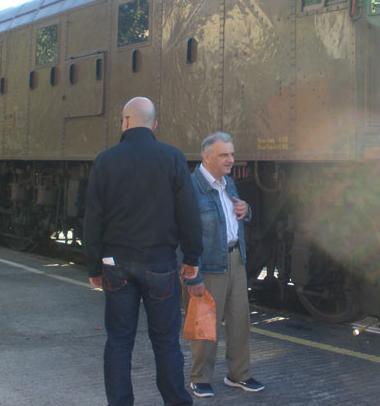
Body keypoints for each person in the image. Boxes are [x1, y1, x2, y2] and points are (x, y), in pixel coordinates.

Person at [84, 97, 203, 406]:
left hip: (116, 265)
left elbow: (93, 219)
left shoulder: (105, 160)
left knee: (119, 342)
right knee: (165, 342)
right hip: (160, 264)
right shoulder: (173, 158)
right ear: (154, 125)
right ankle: (176, 401)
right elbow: (188, 213)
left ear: (124, 122)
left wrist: (93, 267)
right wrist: (192, 258)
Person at [184, 132, 265, 398]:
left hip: (235, 258)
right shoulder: (190, 187)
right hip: (207, 263)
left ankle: (238, 374)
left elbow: (235, 215)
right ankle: (199, 377)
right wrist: (191, 271)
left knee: (240, 320)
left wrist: (247, 209)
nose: (231, 159)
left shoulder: (228, 183)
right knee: (206, 323)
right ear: (206, 157)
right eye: (224, 155)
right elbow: (182, 232)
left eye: (231, 153)